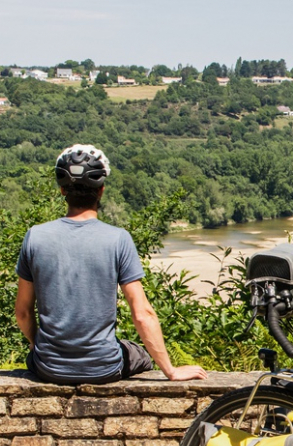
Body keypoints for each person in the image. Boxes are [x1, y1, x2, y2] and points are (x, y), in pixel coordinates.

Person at [14, 144, 207, 384]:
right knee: (139, 354)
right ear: (101, 190)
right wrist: (171, 371)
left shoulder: (35, 236)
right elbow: (142, 313)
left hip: (48, 367)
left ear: (63, 191)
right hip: (103, 368)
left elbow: (22, 312)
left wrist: (37, 345)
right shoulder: (118, 239)